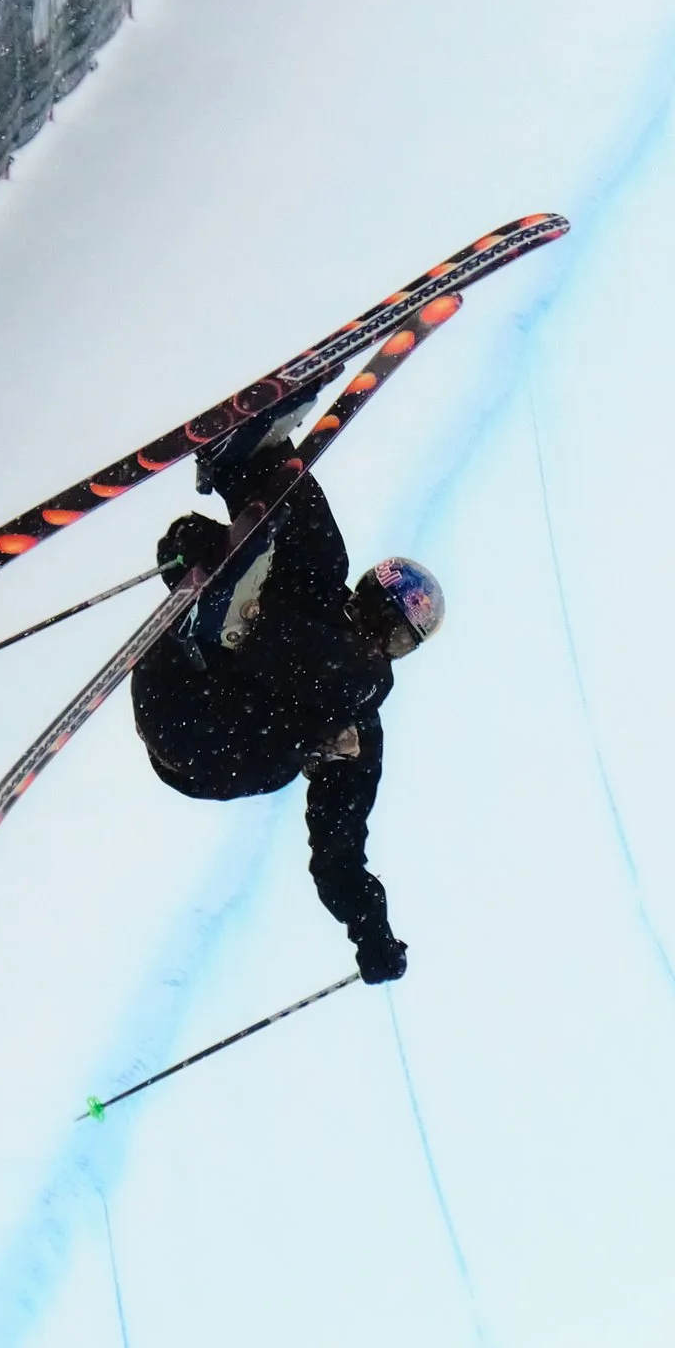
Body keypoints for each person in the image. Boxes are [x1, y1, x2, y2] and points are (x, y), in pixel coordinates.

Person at [128, 418, 445, 985]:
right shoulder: (319, 594)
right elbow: (183, 543)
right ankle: (249, 462)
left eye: (392, 637)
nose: (375, 638)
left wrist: (371, 930)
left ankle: (234, 616)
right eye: (373, 611)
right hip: (177, 675)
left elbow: (338, 853)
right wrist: (194, 550)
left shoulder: (359, 709)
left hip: (210, 745)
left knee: (359, 686)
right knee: (320, 569)